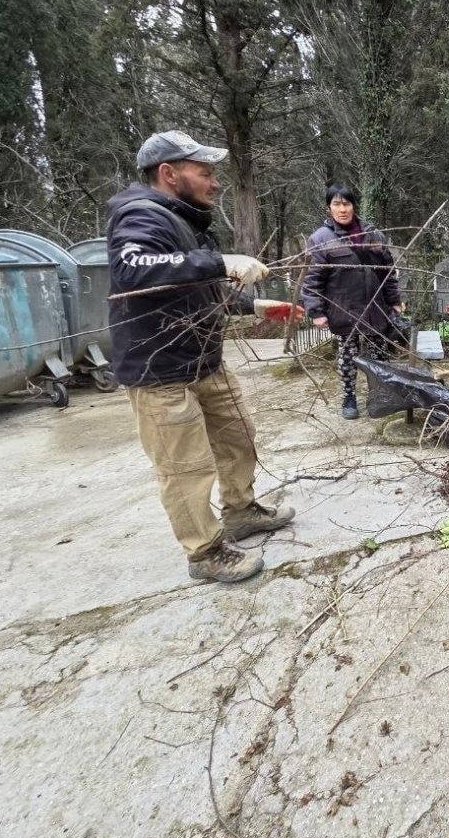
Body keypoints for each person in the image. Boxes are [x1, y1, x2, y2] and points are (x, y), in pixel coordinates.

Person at [107, 130, 303, 584]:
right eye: (205, 172)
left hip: (203, 361)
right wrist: (220, 262)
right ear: (169, 174)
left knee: (238, 437)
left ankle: (240, 511)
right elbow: (131, 271)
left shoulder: (184, 220)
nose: (215, 182)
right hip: (159, 370)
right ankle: (205, 552)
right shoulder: (139, 214)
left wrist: (252, 306)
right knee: (185, 467)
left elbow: (190, 294)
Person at [300, 184, 405, 420]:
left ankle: (381, 396)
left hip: (376, 306)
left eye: (346, 203)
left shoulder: (373, 234)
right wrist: (316, 311)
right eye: (336, 204)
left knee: (379, 354)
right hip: (344, 307)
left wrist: (394, 301)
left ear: (354, 206)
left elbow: (387, 271)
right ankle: (349, 397)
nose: (342, 209)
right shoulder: (320, 239)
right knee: (348, 355)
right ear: (329, 208)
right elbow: (312, 279)